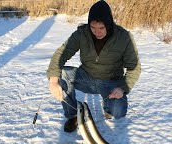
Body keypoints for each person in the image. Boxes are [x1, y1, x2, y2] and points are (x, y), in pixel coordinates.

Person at [46, 0, 141, 133]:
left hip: (111, 82)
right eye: (93, 27)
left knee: (118, 112)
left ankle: (108, 108)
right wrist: (53, 80)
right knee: (61, 73)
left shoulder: (124, 37)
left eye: (101, 28)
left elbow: (134, 67)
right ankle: (73, 115)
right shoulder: (82, 33)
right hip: (86, 78)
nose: (97, 32)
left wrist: (123, 88)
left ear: (109, 24)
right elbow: (62, 53)